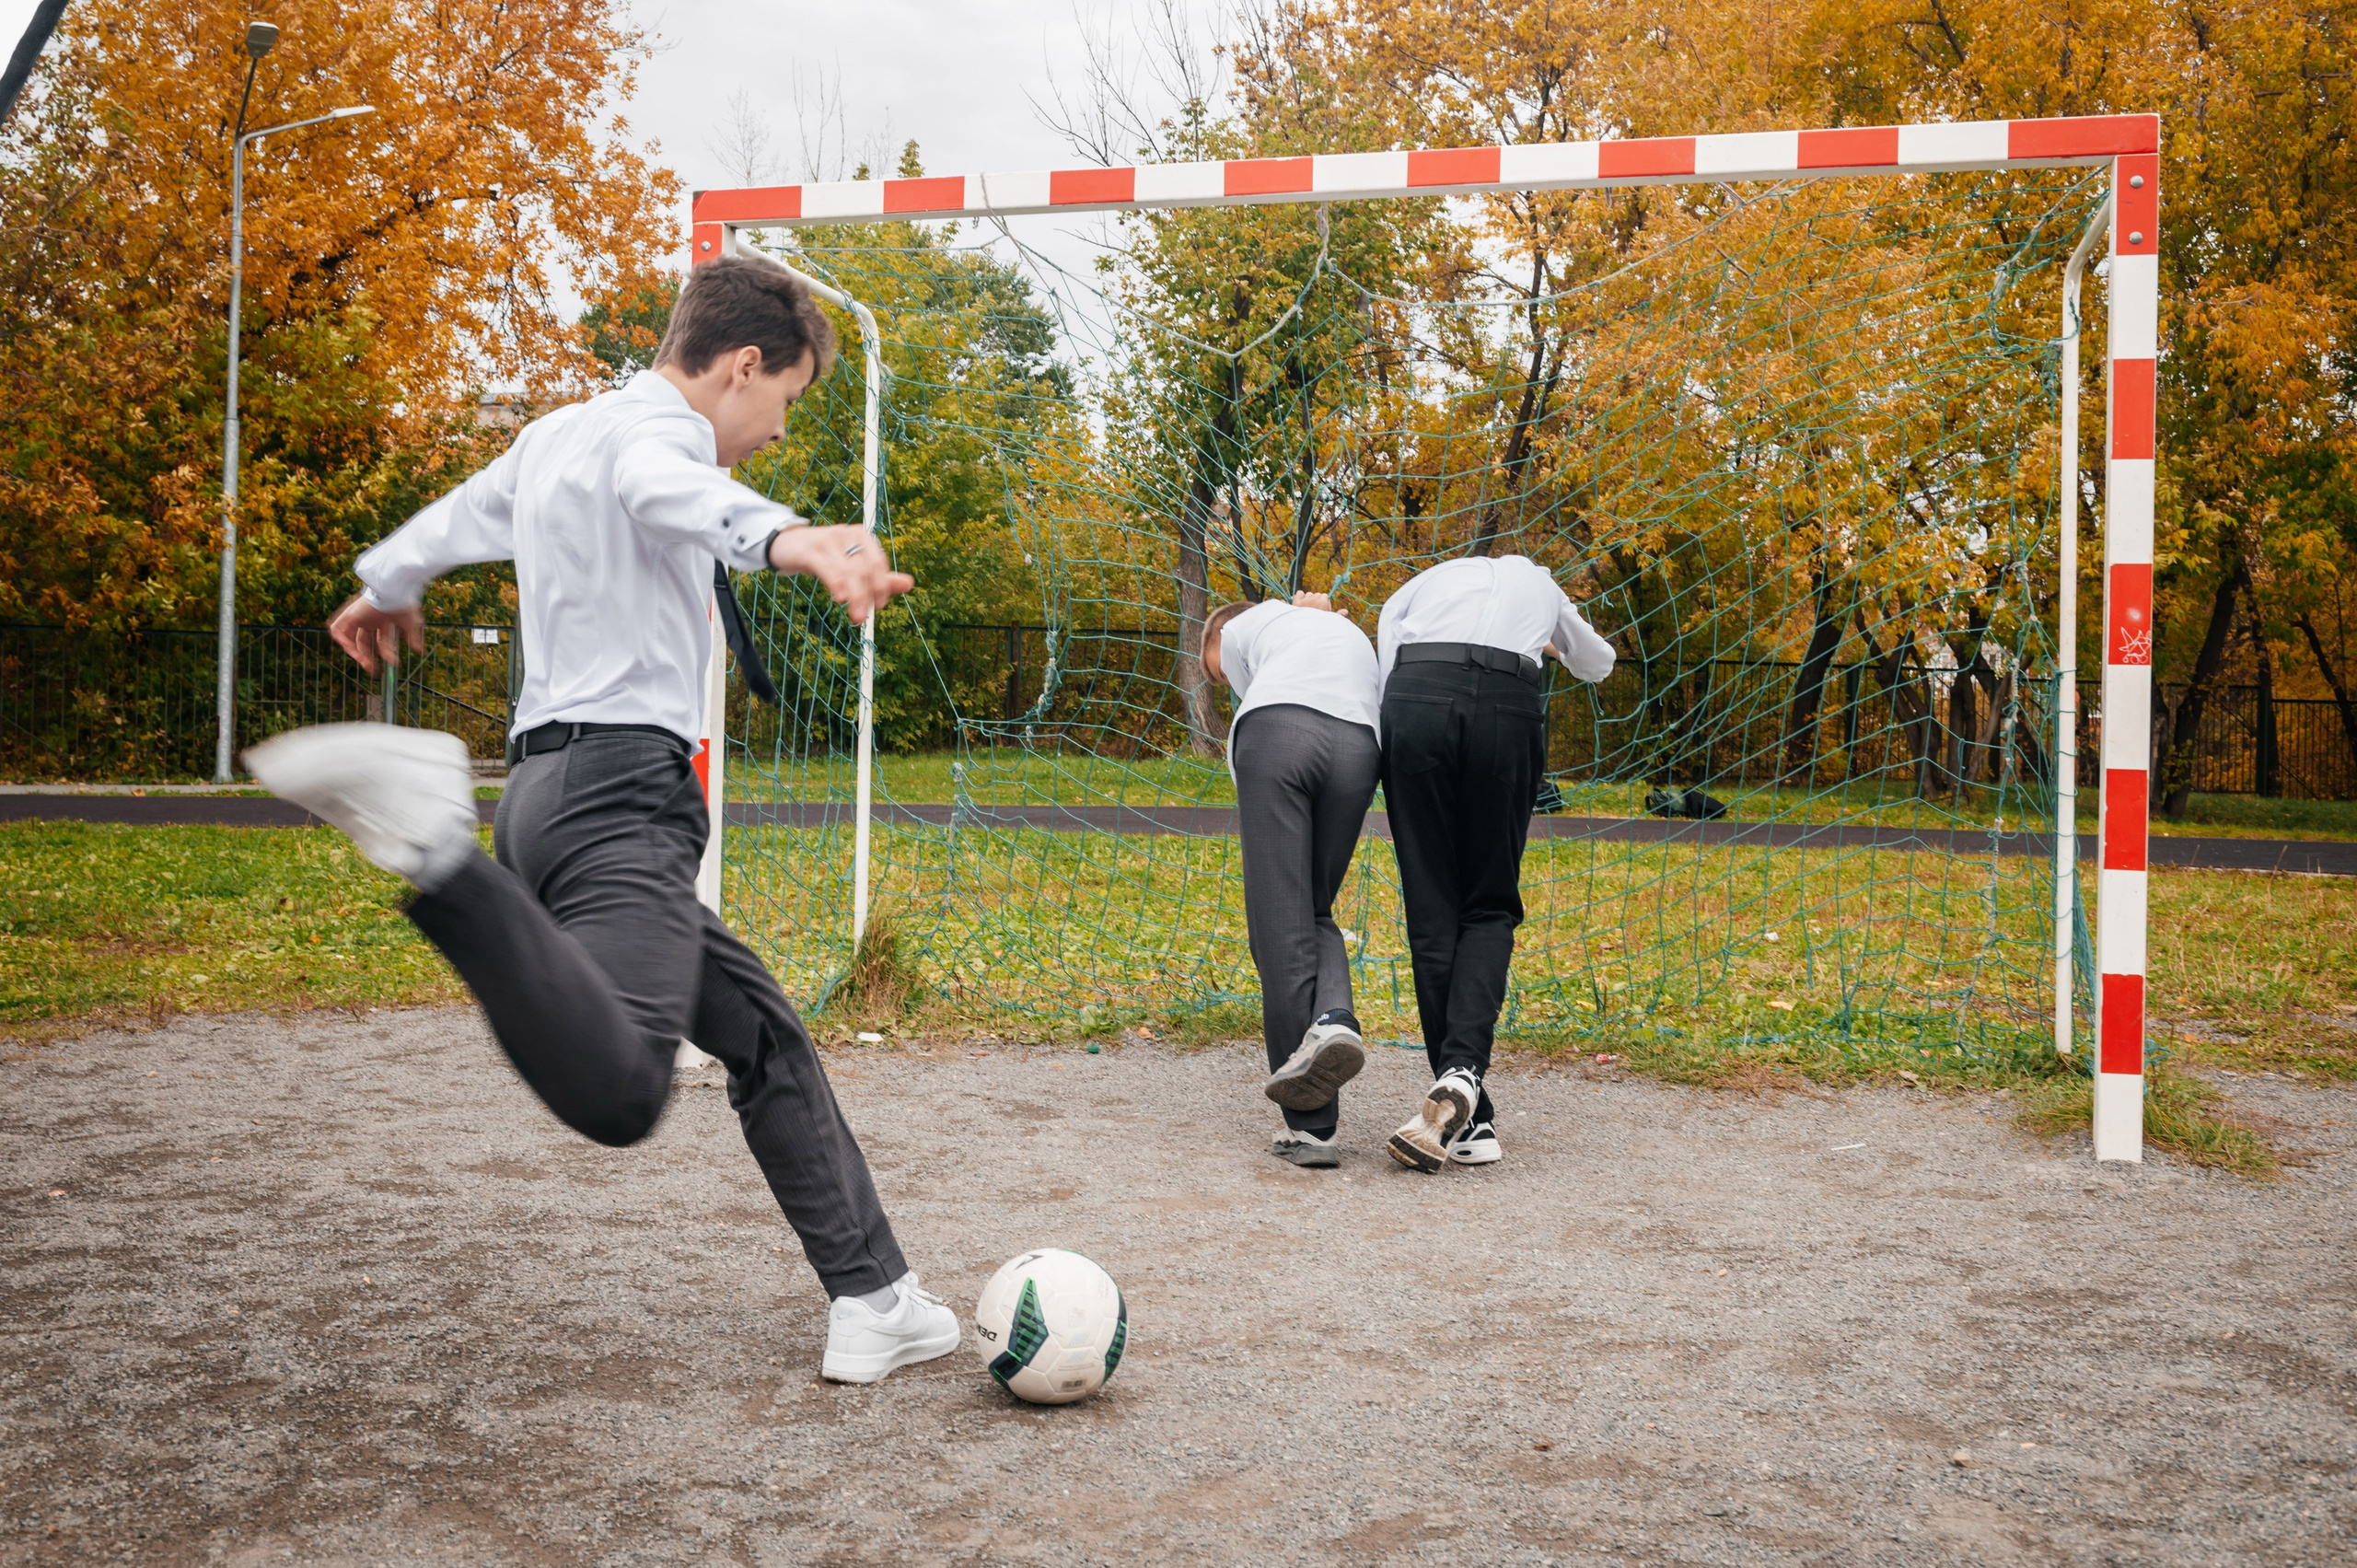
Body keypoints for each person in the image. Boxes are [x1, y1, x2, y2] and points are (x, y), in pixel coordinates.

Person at [242, 256, 960, 1384]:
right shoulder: (654, 438)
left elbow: (464, 511)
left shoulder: (555, 435)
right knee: (625, 1090)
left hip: (548, 797)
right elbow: (669, 491)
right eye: (785, 401)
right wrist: (793, 537)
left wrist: (391, 577)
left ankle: (874, 1296)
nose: (776, 430)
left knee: (760, 1031)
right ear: (739, 366)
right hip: (622, 798)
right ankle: (438, 849)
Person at [1373, 554, 1616, 1172]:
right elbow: (1598, 662)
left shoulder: (1424, 582)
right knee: (1488, 901)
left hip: (1415, 695)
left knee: (1432, 904)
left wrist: (1392, 730)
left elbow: (1387, 636)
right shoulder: (1540, 582)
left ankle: (1470, 1118)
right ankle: (1464, 1076)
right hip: (1507, 705)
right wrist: (1554, 639)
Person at [1203, 590, 1384, 1167]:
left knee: (1279, 929)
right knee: (1315, 909)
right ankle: (1334, 1018)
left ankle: (1311, 1127)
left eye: (1215, 670)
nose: (1223, 679)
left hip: (1282, 735)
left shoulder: (1237, 631)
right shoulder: (1333, 630)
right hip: (1360, 745)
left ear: (1219, 636)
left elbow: (1257, 697)